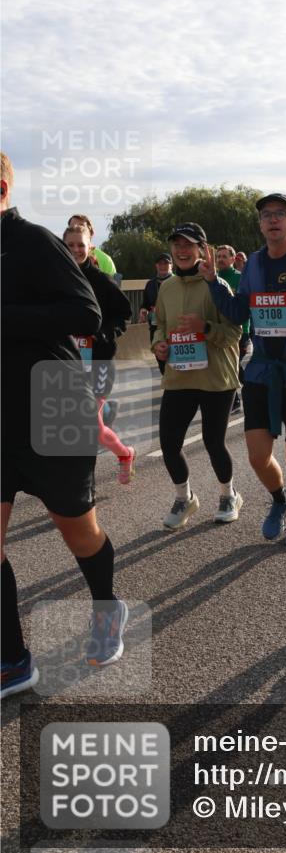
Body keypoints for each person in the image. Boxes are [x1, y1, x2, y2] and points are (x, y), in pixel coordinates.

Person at [1, 152, 127, 698]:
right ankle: (13, 659)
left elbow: (87, 314)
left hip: (54, 401)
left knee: (77, 531)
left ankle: (107, 608)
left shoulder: (31, 240)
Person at [198, 194, 286, 545]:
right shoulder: (253, 265)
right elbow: (239, 312)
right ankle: (280, 499)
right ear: (260, 225)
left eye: (280, 214)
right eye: (266, 215)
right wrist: (214, 282)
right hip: (261, 370)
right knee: (258, 457)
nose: (273, 220)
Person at [152, 223, 242, 529]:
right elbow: (160, 325)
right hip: (179, 377)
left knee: (213, 442)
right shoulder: (167, 287)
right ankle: (184, 497)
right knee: (169, 443)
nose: (181, 250)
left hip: (215, 377)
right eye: (176, 245)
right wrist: (158, 345)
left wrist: (204, 328)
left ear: (203, 250)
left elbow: (234, 332)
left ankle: (228, 494)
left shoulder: (216, 285)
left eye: (188, 245)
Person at [63, 227, 136, 484]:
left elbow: (125, 313)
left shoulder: (102, 281)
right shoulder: (56, 279)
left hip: (99, 363)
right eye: (69, 245)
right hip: (68, 364)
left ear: (89, 247)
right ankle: (124, 454)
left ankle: (88, 481)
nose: (75, 250)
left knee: (89, 425)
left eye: (80, 245)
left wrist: (103, 334)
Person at [215, 245, 251, 412]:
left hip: (240, 331)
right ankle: (240, 397)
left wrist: (247, 332)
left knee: (233, 365)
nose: (221, 259)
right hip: (219, 332)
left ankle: (249, 389)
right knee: (227, 365)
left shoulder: (241, 278)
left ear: (233, 259)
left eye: (224, 256)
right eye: (218, 256)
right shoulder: (211, 278)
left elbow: (246, 307)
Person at [139, 253, 173, 375]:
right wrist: (143, 310)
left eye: (166, 263)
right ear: (156, 266)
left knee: (174, 359)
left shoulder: (177, 282)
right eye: (160, 264)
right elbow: (145, 304)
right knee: (160, 359)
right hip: (155, 327)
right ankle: (167, 383)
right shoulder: (150, 284)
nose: (163, 266)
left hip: (173, 326)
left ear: (171, 266)